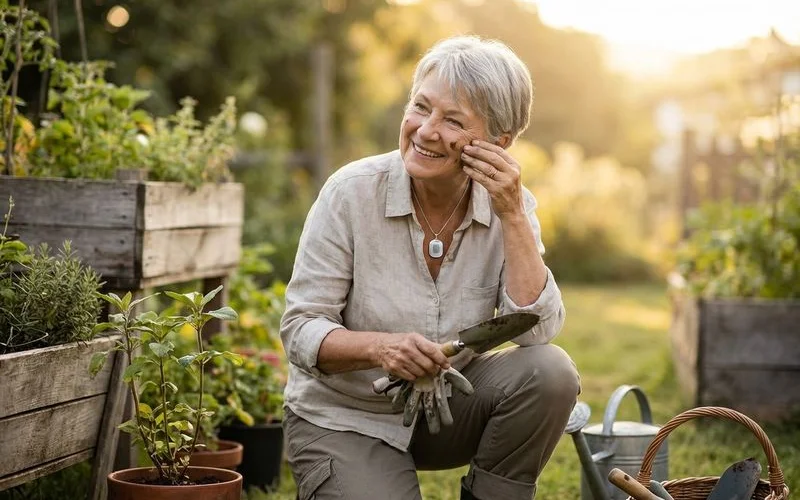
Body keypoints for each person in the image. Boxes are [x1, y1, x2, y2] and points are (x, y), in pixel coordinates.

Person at [280, 35, 580, 500]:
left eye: (453, 121)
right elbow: (300, 330)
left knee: (550, 372)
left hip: (447, 410)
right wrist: (383, 348)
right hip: (346, 417)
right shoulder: (350, 193)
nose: (425, 131)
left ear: (497, 144)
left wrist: (514, 215)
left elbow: (536, 333)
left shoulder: (510, 210)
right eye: (421, 107)